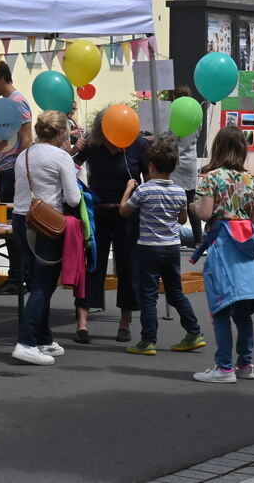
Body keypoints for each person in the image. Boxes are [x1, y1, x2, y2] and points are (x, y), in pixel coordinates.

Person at [190, 125, 254, 384]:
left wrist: (192, 204)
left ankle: (224, 367)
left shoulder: (211, 177)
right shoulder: (250, 180)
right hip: (245, 248)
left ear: (218, 147)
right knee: (242, 311)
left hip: (222, 247)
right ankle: (245, 363)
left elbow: (204, 213)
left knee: (221, 309)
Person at [119, 134, 205, 356]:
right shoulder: (178, 191)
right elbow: (182, 220)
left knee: (148, 294)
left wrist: (129, 188)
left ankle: (148, 340)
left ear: (152, 166)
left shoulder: (144, 190)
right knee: (175, 292)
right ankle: (194, 331)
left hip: (148, 247)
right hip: (172, 246)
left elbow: (124, 210)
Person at [72, 108, 150, 344]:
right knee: (92, 265)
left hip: (127, 215)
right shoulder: (92, 145)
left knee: (128, 267)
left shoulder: (139, 145)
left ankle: (125, 322)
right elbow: (69, 167)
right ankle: (82, 323)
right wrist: (74, 149)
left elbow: (149, 179)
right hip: (99, 212)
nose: (116, 145)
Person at [11, 110, 81, 366]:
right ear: (62, 133)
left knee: (38, 282)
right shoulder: (61, 156)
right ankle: (26, 341)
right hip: (47, 224)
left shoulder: (24, 154)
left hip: (21, 219)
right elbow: (73, 198)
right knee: (43, 285)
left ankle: (43, 337)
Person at [0, 63, 33, 297]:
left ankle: (19, 276)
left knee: (14, 224)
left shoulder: (18, 102)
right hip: (7, 169)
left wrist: (20, 175)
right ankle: (18, 274)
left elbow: (26, 140)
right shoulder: (5, 104)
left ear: (1, 77)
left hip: (16, 171)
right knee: (9, 223)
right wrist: (1, 172)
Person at [170, 84, 203, 246]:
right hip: (190, 164)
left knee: (172, 203)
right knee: (190, 204)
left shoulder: (174, 117)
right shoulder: (196, 117)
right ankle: (198, 240)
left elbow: (170, 138)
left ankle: (174, 237)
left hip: (175, 164)